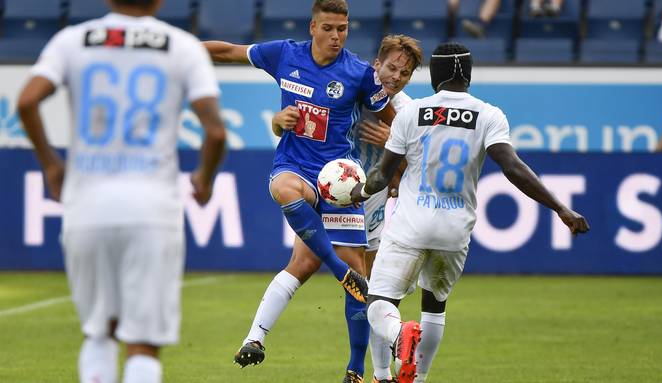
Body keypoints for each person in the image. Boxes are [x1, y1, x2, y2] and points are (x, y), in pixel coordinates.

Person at [351, 42, 590, 383]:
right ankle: (417, 379)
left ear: (434, 74)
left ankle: (391, 352)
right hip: (454, 232)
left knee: (379, 300)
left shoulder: (412, 112)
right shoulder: (489, 115)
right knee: (434, 306)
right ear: (470, 74)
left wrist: (357, 193)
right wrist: (560, 207)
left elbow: (381, 176)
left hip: (411, 225)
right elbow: (513, 168)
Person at [16, 0, 227, 382]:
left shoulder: (72, 40)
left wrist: (51, 164)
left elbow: (27, 101)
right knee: (143, 342)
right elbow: (215, 132)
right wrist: (204, 179)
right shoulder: (182, 46)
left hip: (87, 206)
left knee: (98, 332)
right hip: (152, 210)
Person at [202, 1, 396, 381]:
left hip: (339, 179)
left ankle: (354, 370)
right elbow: (227, 52)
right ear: (312, 27)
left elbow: (396, 122)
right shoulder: (284, 54)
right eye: (328, 28)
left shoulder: (359, 74)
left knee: (320, 267)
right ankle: (337, 270)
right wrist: (179, 51)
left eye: (342, 28)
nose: (336, 36)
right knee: (285, 189)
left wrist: (395, 142)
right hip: (296, 167)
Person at [272, 34, 423, 383]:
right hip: (338, 201)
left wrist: (394, 148)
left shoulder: (406, 113)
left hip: (377, 208)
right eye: (392, 67)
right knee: (349, 283)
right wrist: (280, 121)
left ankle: (385, 362)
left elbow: (417, 172)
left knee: (374, 291)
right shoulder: (352, 91)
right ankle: (379, 365)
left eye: (404, 73)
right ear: (377, 65)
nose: (396, 77)